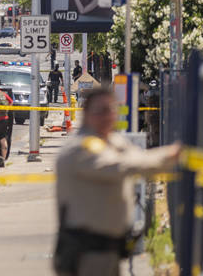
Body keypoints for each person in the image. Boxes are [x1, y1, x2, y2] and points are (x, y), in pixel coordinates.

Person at [54, 87, 181, 276]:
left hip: (110, 248)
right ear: (86, 113)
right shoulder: (80, 148)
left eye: (112, 109)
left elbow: (138, 157)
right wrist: (171, 155)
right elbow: (123, 165)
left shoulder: (112, 141)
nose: (107, 116)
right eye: (100, 111)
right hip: (87, 250)